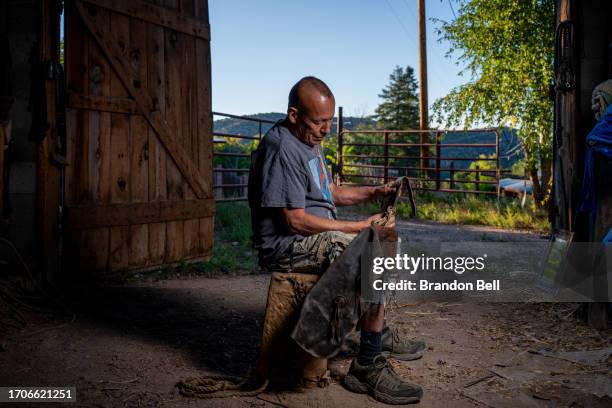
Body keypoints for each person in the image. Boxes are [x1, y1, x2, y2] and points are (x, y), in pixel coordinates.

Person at [248, 76, 425, 404]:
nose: (326, 130)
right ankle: (368, 363)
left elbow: (327, 192)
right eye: (319, 122)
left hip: (315, 232)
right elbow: (294, 221)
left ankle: (376, 330)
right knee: (368, 252)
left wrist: (374, 192)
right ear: (294, 115)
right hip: (286, 244)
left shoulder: (309, 139)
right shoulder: (282, 148)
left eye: (330, 122)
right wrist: (358, 228)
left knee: (384, 242)